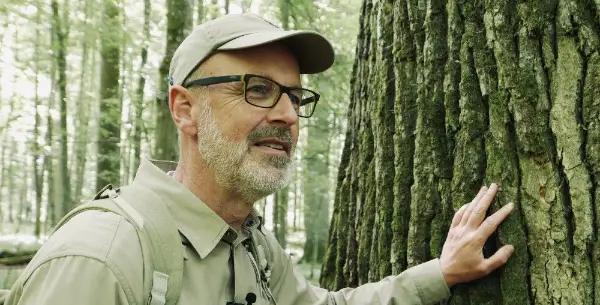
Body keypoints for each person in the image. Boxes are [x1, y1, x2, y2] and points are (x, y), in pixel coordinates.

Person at [3, 13, 515, 305]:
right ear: (185, 109)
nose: (288, 115)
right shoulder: (103, 260)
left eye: (295, 96)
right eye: (258, 89)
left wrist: (442, 273)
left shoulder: (249, 244)